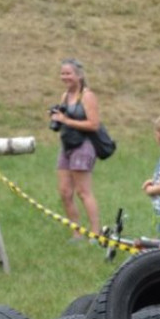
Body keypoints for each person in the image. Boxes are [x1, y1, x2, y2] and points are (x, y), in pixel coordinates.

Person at [50, 58, 103, 241]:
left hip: (83, 146)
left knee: (83, 191)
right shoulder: (64, 96)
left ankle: (96, 233)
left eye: (68, 73)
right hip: (66, 146)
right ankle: (77, 232)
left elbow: (94, 124)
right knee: (65, 192)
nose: (65, 77)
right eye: (62, 73)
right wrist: (57, 119)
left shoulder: (87, 96)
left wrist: (67, 121)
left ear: (79, 76)